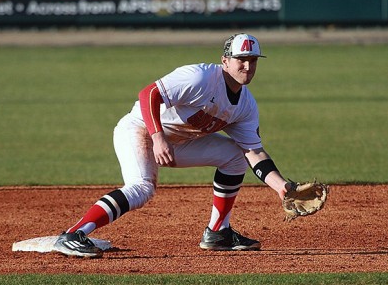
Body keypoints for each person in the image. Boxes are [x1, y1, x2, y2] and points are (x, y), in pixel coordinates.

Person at [53, 33, 293, 257]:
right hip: (141, 129)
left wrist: (282, 188)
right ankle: (74, 233)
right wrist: (157, 138)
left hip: (178, 143)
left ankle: (218, 233)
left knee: (236, 155)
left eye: (253, 60)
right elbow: (149, 94)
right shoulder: (200, 78)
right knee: (142, 188)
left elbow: (254, 152)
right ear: (225, 61)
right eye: (241, 59)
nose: (248, 67)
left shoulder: (246, 106)